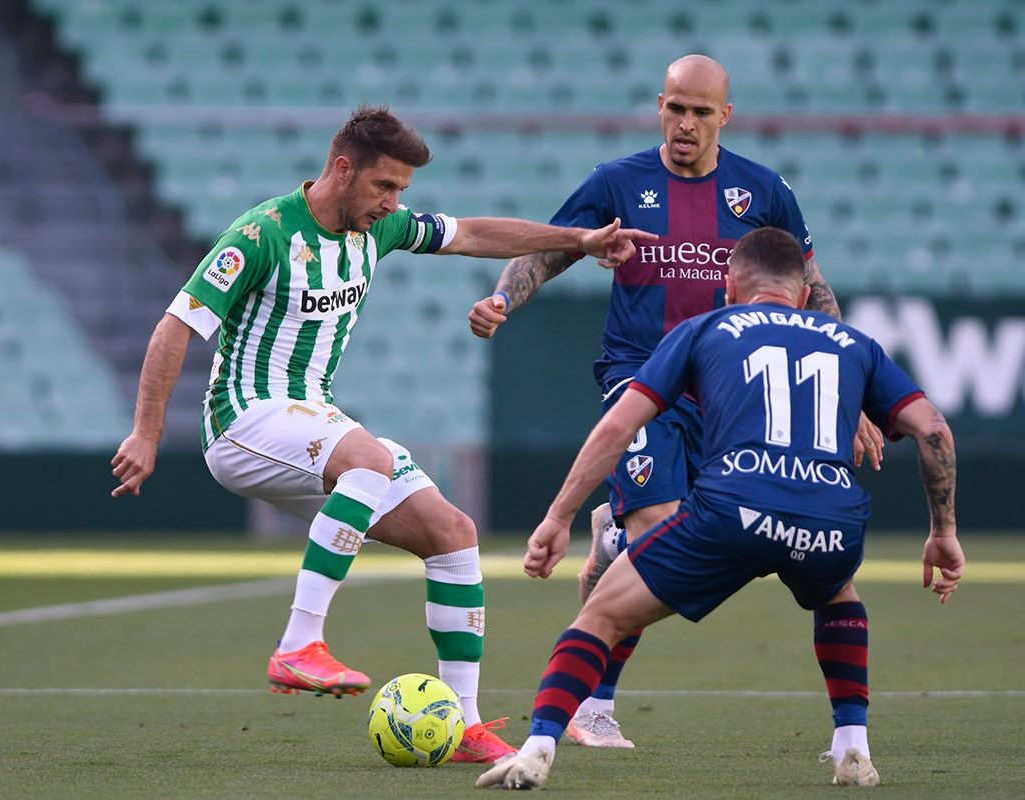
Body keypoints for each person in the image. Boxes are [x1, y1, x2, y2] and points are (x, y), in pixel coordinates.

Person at [109, 104, 653, 764]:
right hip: (243, 421)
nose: (393, 203)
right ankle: (297, 646)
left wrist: (579, 240)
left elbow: (475, 233)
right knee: (366, 457)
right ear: (343, 168)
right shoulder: (261, 234)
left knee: (454, 535)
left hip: (312, 420)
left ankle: (463, 724)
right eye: (384, 187)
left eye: (401, 192)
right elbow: (176, 326)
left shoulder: (383, 229)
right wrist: (145, 432)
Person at [468, 54, 887, 748]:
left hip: (731, 399)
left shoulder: (763, 190)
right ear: (659, 106)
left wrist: (851, 392)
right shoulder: (620, 182)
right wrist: (502, 298)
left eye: (700, 111)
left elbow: (811, 287)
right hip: (642, 380)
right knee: (659, 525)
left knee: (650, 540)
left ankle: (613, 542)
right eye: (674, 108)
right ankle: (593, 707)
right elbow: (552, 248)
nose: (684, 123)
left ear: (725, 115)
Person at [474, 227, 964, 790]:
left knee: (601, 615)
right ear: (803, 293)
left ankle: (537, 747)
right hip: (833, 519)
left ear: (729, 286)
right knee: (837, 595)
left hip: (731, 512)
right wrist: (943, 530)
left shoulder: (705, 328)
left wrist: (558, 517)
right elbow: (932, 430)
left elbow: (619, 425)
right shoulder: (852, 342)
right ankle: (852, 745)